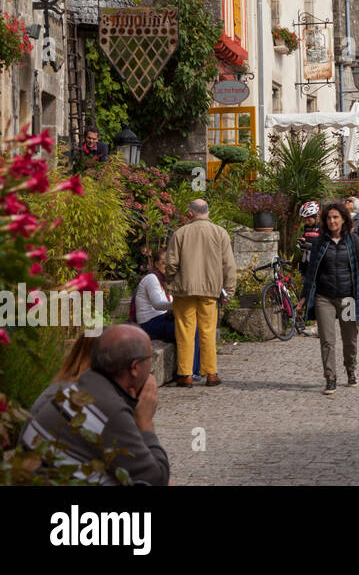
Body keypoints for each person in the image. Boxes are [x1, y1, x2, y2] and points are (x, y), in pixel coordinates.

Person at [21, 324, 169, 484]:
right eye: (149, 359)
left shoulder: (84, 387)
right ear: (134, 367)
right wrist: (145, 421)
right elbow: (155, 478)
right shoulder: (106, 405)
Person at [297, 201, 359, 394]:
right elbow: (312, 271)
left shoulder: (353, 241)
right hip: (325, 298)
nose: (332, 221)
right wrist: (304, 296)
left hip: (347, 298)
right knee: (327, 340)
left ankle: (351, 369)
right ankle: (330, 377)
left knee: (350, 338)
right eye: (329, 218)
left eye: (336, 217)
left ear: (343, 219)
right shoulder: (320, 242)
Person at [165, 199, 236, 387]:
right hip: (210, 290)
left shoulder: (180, 233)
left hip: (184, 290)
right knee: (207, 331)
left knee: (185, 332)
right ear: (208, 212)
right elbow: (228, 264)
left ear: (190, 213)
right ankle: (211, 373)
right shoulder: (220, 233)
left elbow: (171, 264)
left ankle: (186, 374)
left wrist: (170, 281)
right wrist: (229, 290)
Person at [133, 252, 200, 380]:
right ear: (156, 263)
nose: (167, 265)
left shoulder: (166, 279)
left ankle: (194, 369)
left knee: (195, 326)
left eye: (170, 262)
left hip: (162, 318)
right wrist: (179, 304)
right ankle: (187, 372)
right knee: (188, 330)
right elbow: (157, 304)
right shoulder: (151, 279)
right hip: (150, 323)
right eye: (163, 262)